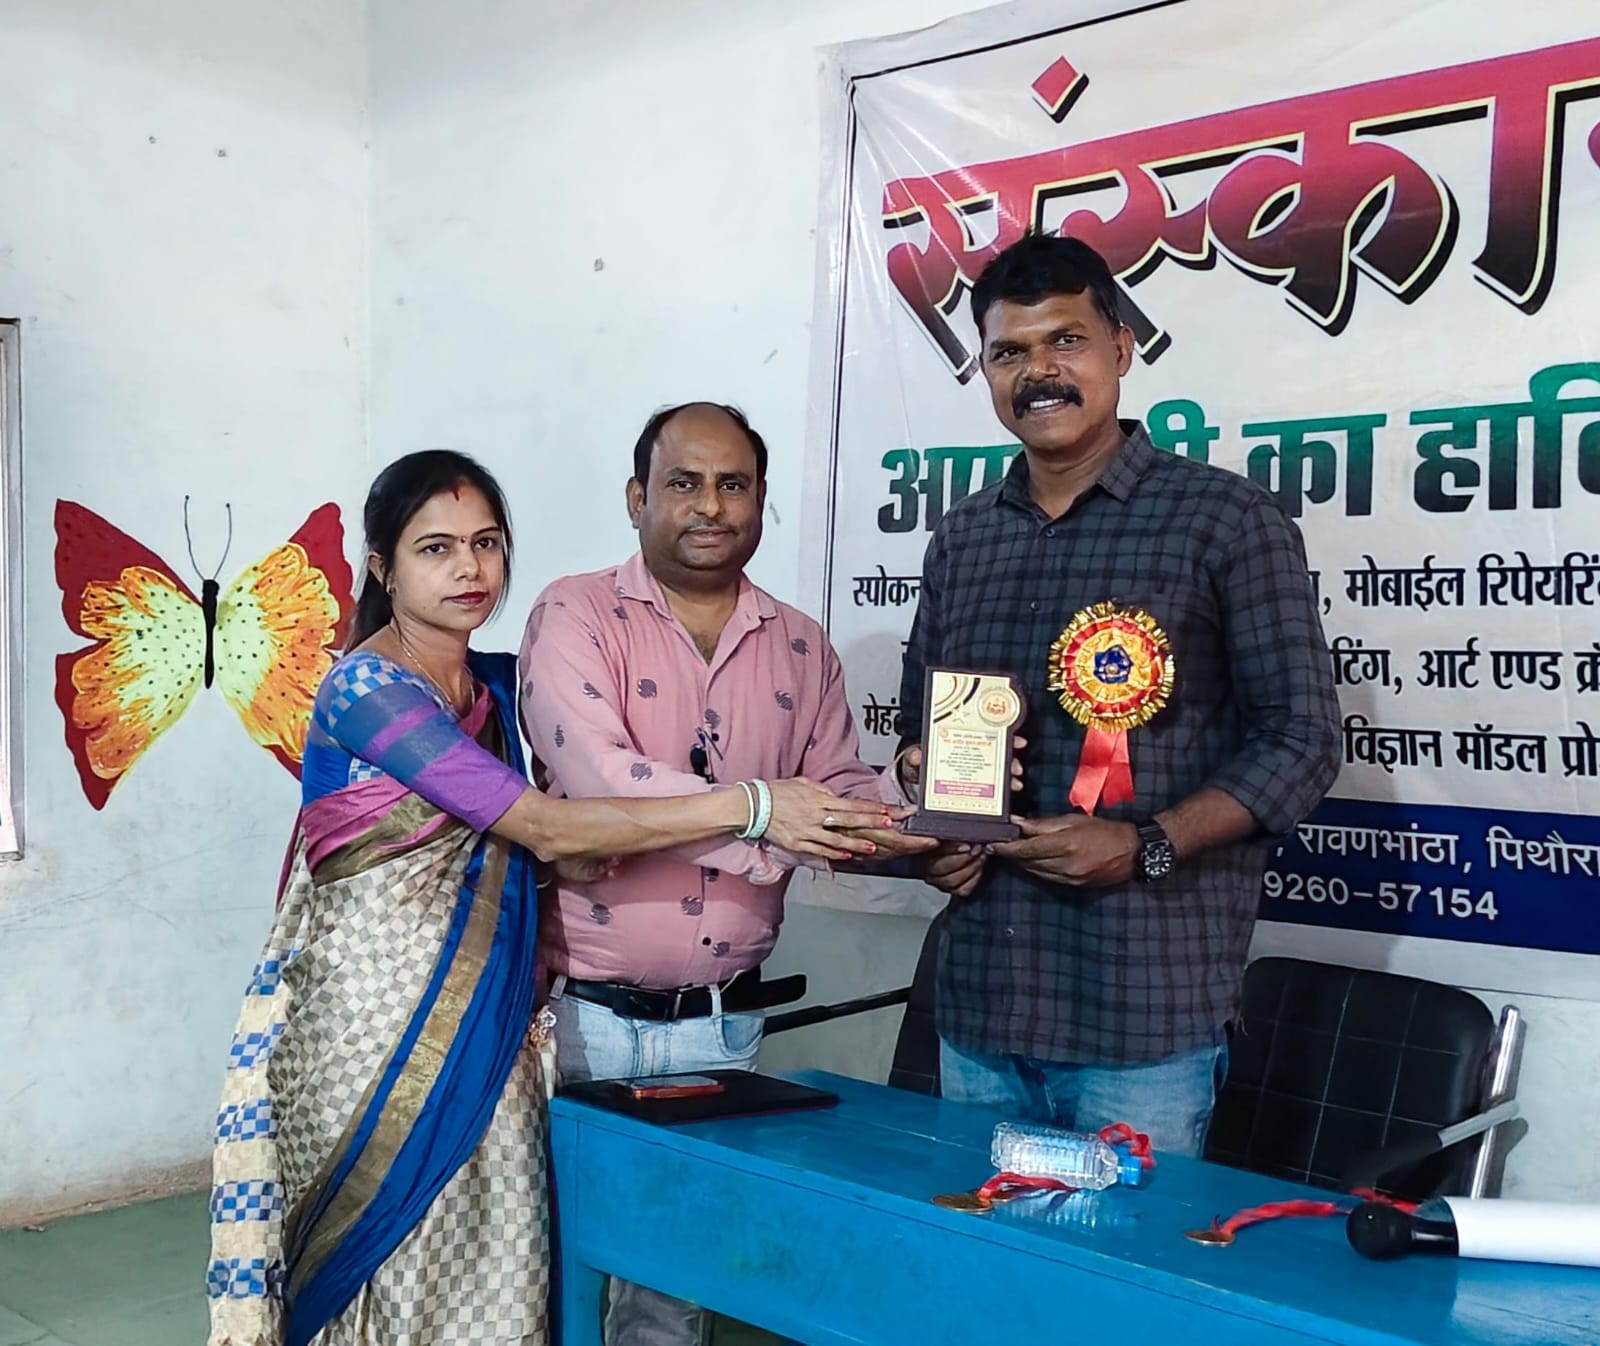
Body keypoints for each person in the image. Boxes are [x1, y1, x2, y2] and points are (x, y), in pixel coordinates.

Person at [206, 450, 885, 1346]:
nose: (469, 568)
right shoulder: (367, 690)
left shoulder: (491, 686)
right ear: (382, 569)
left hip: (490, 1017)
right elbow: (542, 825)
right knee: (388, 1256)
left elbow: (516, 844)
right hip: (372, 1027)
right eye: (435, 548)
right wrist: (754, 805)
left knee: (491, 1255)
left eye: (486, 543)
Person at [895, 234, 1341, 1154]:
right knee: (969, 1243)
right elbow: (915, 731)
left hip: (1141, 1013)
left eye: (1066, 340)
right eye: (1009, 352)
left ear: (1122, 348)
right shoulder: (962, 538)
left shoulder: (1224, 519)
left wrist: (1146, 845)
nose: (1039, 372)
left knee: (1126, 1250)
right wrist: (934, 808)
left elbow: (1302, 740)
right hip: (980, 1000)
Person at [519, 402, 933, 1346]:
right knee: (548, 1262)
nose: (710, 506)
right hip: (579, 1021)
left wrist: (918, 796)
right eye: (684, 483)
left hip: (721, 1025)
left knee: (676, 1276)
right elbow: (598, 784)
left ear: (760, 500)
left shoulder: (800, 643)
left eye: (732, 485)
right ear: (637, 498)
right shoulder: (575, 613)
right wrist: (763, 817)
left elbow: (836, 795)